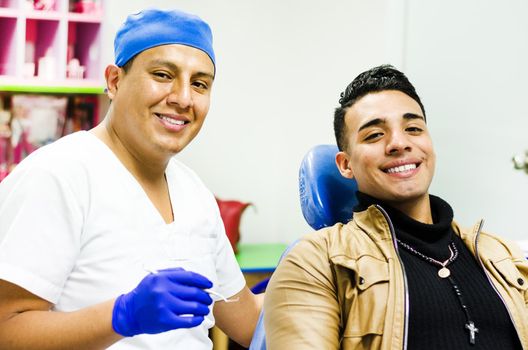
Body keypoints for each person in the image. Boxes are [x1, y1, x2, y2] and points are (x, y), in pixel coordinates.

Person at [0, 8, 261, 349]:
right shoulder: (58, 175)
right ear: (114, 81)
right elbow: (6, 329)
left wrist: (310, 274)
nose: (183, 98)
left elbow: (246, 322)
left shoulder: (193, 192)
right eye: (163, 74)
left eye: (199, 84)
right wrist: (120, 316)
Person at [263, 65, 528, 349]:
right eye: (374, 135)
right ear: (345, 164)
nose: (399, 143)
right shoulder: (316, 262)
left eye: (413, 128)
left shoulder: (504, 257)